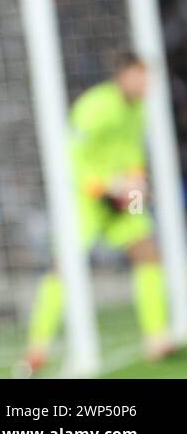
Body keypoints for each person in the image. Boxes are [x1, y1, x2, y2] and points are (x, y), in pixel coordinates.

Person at [22, 52, 173, 374]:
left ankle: (156, 336)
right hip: (87, 199)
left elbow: (132, 152)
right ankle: (38, 347)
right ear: (122, 76)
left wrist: (135, 180)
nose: (145, 84)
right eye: (139, 77)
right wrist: (102, 187)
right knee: (65, 268)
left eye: (148, 78)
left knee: (147, 253)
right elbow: (71, 154)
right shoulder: (96, 106)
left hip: (120, 200)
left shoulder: (138, 110)